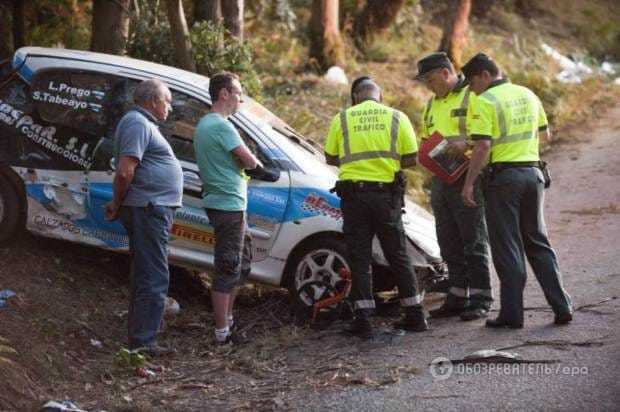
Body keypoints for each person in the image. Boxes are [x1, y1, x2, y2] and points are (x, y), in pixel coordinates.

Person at [460, 53, 573, 328]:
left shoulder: (486, 101)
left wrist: (469, 182)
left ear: (485, 75)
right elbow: (545, 133)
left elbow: (483, 146)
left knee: (507, 245)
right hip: (533, 174)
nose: (472, 89)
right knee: (537, 240)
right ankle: (562, 306)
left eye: (472, 82)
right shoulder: (528, 94)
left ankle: (512, 315)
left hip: (504, 180)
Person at [324, 76, 428, 339]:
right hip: (387, 197)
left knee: (359, 257)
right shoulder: (397, 117)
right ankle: (415, 315)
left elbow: (330, 156)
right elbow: (412, 158)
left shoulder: (343, 118)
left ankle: (364, 321)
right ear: (379, 96)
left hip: (355, 197)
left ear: (356, 97)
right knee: (398, 254)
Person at [105, 78, 183, 355]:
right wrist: (117, 202)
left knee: (146, 274)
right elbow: (125, 171)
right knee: (153, 276)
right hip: (148, 209)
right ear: (152, 100)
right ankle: (143, 344)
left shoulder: (142, 123)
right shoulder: (137, 123)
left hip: (149, 208)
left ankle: (140, 339)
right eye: (167, 101)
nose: (170, 108)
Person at [414, 52, 493, 321]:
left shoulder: (473, 96)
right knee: (447, 239)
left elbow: (487, 137)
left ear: (446, 73)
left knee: (473, 238)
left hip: (469, 176)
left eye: (430, 79)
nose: (427, 85)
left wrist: (467, 147)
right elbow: (427, 139)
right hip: (441, 179)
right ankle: (458, 296)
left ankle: (482, 297)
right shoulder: (430, 105)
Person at [193, 72, 260, 344]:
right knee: (228, 264)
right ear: (224, 94)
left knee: (241, 261)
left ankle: (228, 322)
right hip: (227, 204)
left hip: (227, 203)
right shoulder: (221, 125)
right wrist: (253, 161)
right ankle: (222, 332)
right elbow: (250, 161)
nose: (240, 99)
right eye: (238, 93)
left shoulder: (206, 124)